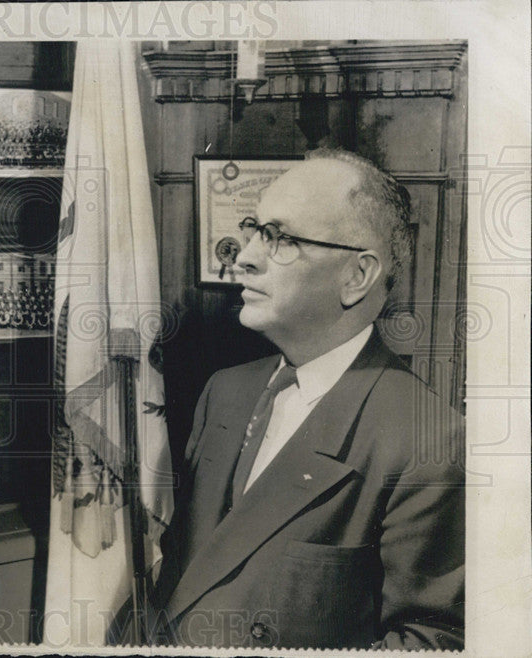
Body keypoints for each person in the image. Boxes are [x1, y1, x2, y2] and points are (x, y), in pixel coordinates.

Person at [147, 150, 464, 649]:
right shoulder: (223, 393)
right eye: (254, 229)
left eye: (281, 239)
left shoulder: (426, 438)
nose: (244, 256)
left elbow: (430, 638)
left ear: (356, 277)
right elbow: (179, 583)